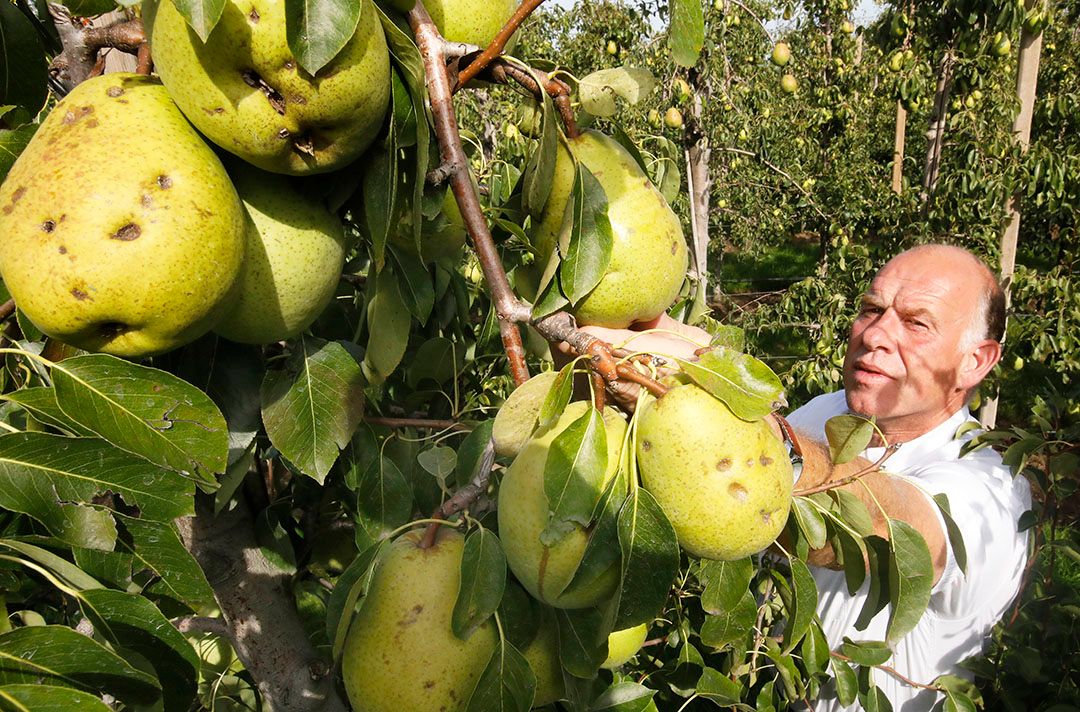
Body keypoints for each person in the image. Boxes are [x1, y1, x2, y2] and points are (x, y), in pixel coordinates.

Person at [572, 244, 1032, 711]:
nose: (876, 334)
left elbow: (886, 529)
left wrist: (734, 425)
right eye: (872, 309)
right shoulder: (830, 412)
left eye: (916, 323)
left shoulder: (991, 491)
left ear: (975, 361)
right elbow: (740, 502)